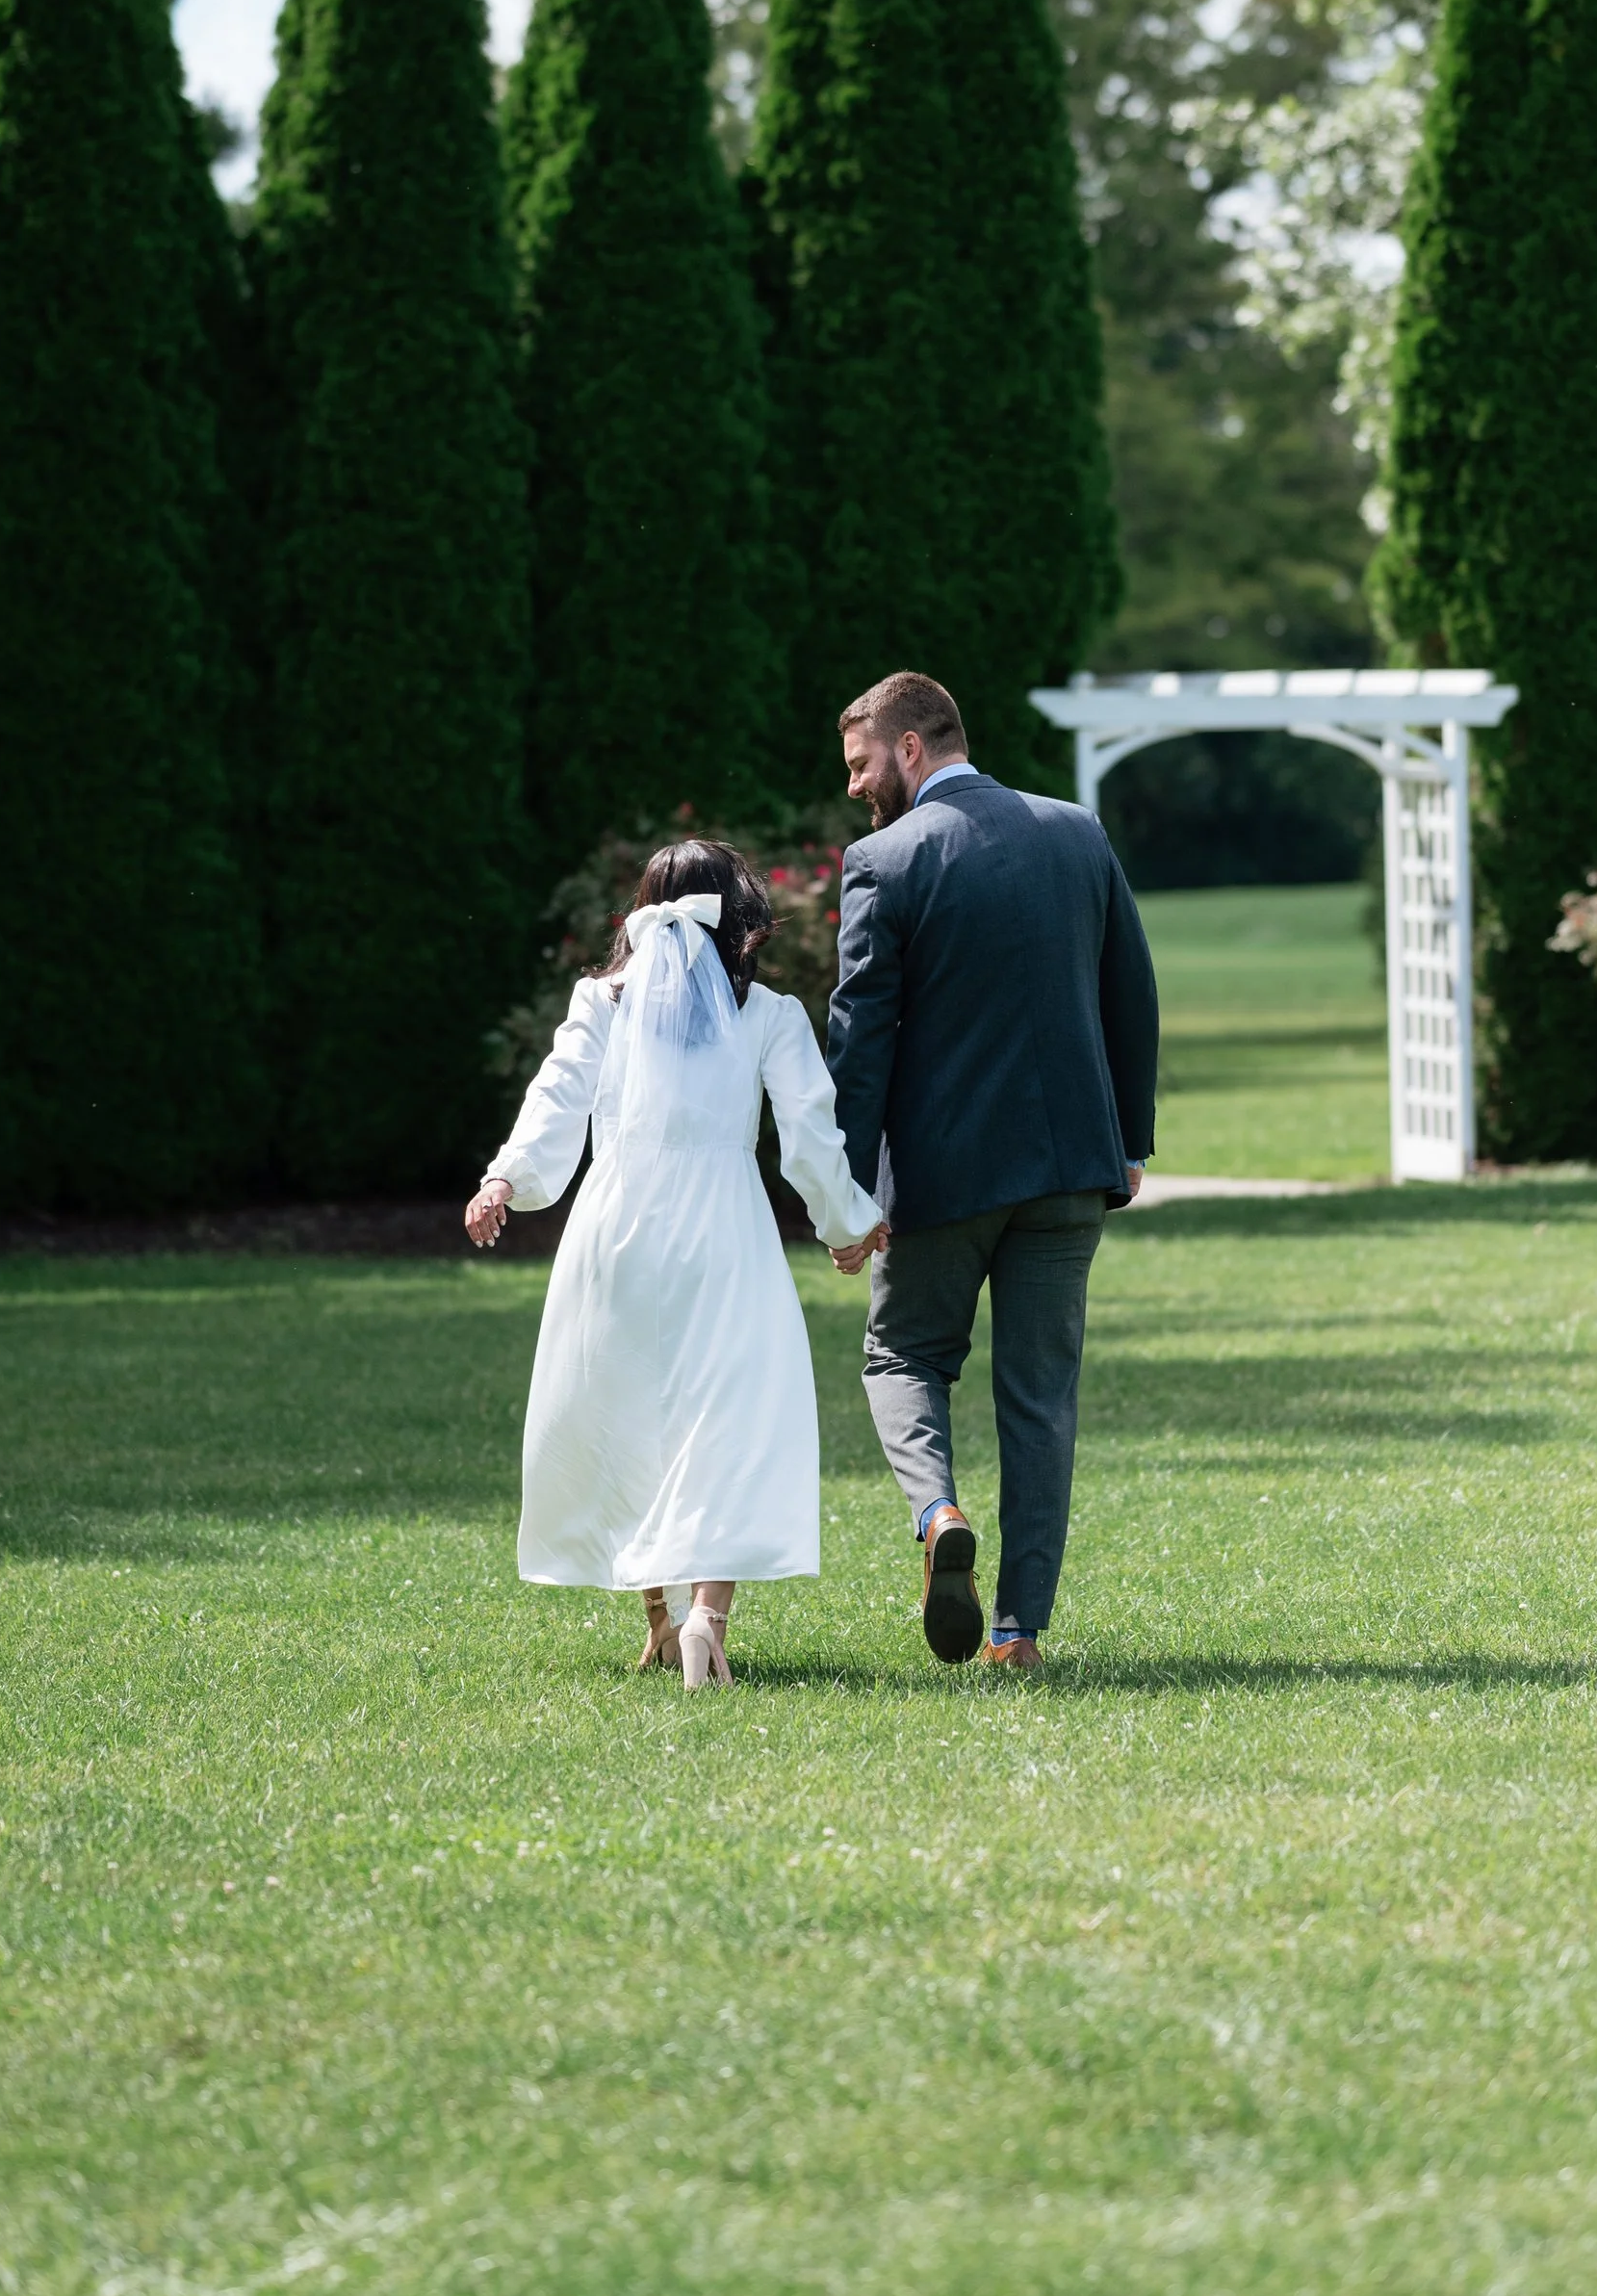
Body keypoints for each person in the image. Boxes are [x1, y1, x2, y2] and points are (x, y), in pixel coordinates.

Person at [465, 837, 888, 1690]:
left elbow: (557, 1095)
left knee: (627, 1408)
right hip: (723, 1227)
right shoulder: (769, 1015)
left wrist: (506, 1174)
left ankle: (659, 1619)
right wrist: (850, 1219)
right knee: (726, 1417)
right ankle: (705, 1619)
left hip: (615, 1225)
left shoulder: (600, 1002)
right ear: (738, 920)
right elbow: (810, 1134)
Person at [824, 671, 1159, 1677]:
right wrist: (1128, 1143)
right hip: (1069, 1170)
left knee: (901, 1358)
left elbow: (860, 1039)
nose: (853, 787)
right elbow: (1129, 993)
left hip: (943, 1177)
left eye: (860, 763)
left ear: (913, 747)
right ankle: (1017, 1631)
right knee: (1041, 1395)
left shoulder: (883, 860)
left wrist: (845, 1196)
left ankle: (938, 1511)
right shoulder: (1076, 832)